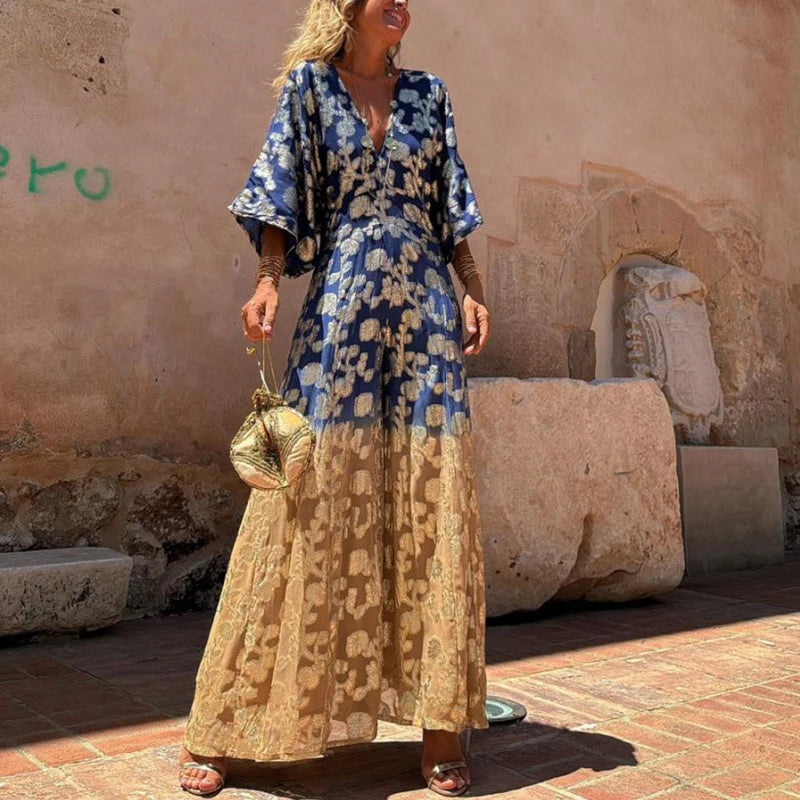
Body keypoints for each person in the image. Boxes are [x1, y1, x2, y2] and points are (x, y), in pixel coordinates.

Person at [178, 0, 491, 796]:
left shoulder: (430, 96)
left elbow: (450, 200)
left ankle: (439, 730)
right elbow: (279, 191)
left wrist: (472, 286)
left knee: (433, 498)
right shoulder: (310, 91)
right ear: (347, 5)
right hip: (343, 306)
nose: (404, 4)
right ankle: (230, 720)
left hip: (424, 309)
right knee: (303, 491)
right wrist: (265, 285)